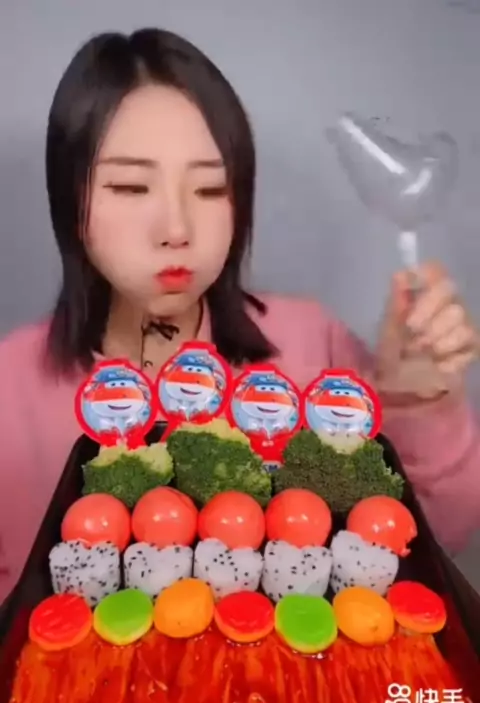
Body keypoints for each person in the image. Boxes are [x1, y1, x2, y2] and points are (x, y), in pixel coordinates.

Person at [0, 27, 479, 604]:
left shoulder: (315, 345)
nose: (177, 230)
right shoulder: (8, 385)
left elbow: (434, 540)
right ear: (68, 198)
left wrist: (420, 402)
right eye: (130, 187)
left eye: (209, 189)